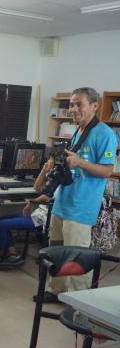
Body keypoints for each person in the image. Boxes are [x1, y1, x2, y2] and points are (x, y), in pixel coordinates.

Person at [33, 87, 117, 302]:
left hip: (81, 207)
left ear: (95, 106)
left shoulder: (105, 134)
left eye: (79, 104)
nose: (73, 109)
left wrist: (80, 162)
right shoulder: (78, 131)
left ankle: (79, 300)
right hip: (62, 202)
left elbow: (107, 171)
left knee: (78, 257)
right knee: (57, 250)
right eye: (71, 104)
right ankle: (56, 290)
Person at [0, 166, 54, 269]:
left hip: (40, 220)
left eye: (50, 160)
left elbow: (46, 197)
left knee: (2, 224)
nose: (47, 162)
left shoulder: (59, 181)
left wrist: (31, 203)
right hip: (36, 215)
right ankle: (11, 252)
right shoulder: (53, 177)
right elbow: (36, 187)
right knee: (1, 220)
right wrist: (44, 170)